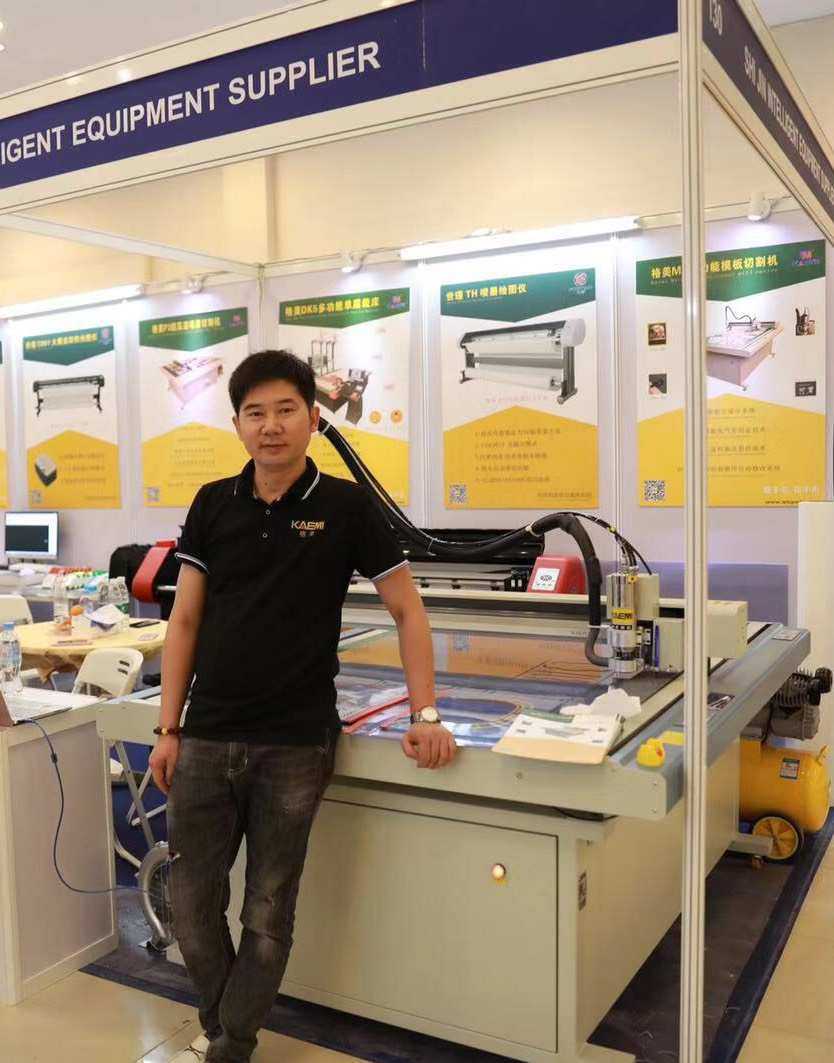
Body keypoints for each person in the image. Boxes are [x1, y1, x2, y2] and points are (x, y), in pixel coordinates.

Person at [149, 350, 456, 1063]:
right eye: (255, 413)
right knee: (191, 907)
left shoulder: (346, 507)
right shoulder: (212, 503)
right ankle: (226, 1031)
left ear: (313, 418)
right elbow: (185, 620)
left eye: (286, 410)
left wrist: (426, 713)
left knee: (267, 912)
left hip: (295, 742)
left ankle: (230, 1045)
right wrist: (168, 728)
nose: (271, 425)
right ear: (237, 425)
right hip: (206, 735)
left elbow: (408, 610)